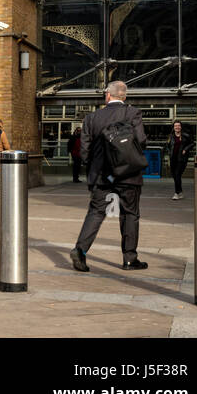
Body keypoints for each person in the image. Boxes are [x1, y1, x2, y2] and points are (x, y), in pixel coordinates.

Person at [70, 79, 148, 273]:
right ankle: (130, 259)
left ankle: (80, 250)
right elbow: (141, 141)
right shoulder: (133, 113)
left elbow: (85, 151)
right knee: (130, 214)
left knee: (96, 212)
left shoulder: (92, 118)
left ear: (108, 95)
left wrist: (94, 166)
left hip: (101, 175)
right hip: (128, 174)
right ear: (125, 96)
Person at [166, 120, 193, 199]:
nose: (177, 127)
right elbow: (167, 145)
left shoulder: (185, 135)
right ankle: (180, 192)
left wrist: (185, 149)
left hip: (181, 159)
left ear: (181, 127)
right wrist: (169, 152)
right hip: (173, 158)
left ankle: (176, 193)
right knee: (175, 176)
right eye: (175, 126)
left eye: (178, 126)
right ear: (173, 127)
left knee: (177, 175)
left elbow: (192, 143)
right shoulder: (171, 136)